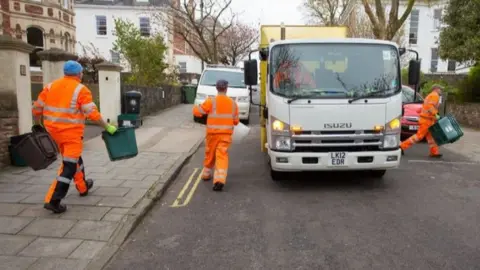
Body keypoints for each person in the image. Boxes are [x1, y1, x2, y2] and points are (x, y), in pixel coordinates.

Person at [32, 60, 118, 213]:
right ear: (79, 74)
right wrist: (107, 126)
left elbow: (37, 108)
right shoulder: (81, 90)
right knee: (69, 166)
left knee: (74, 159)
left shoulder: (50, 86)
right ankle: (53, 200)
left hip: (53, 133)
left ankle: (83, 186)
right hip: (71, 134)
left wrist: (38, 124)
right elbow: (92, 114)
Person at [192, 79, 239, 191]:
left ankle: (206, 174)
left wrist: (196, 107)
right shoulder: (233, 103)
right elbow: (236, 121)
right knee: (222, 155)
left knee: (210, 154)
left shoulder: (211, 101)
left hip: (212, 134)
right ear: (226, 88)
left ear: (217, 88)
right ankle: (219, 180)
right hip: (226, 136)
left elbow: (197, 112)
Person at [400, 84, 443, 157]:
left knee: (431, 138)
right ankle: (401, 146)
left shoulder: (430, 95)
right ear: (436, 89)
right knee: (419, 136)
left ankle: (434, 152)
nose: (441, 90)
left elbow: (425, 106)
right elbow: (430, 106)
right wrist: (436, 115)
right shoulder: (435, 95)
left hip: (427, 119)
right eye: (440, 89)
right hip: (427, 120)